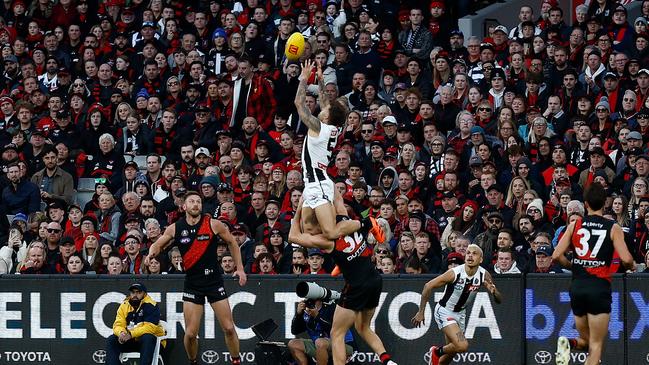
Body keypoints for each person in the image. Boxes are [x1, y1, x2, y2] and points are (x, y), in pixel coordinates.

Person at [289, 192, 397, 365]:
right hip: (375, 280)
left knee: (336, 333)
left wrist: (300, 206)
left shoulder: (327, 241)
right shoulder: (350, 223)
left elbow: (292, 237)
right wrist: (328, 188)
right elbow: (338, 200)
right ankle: (387, 361)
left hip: (356, 285)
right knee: (363, 328)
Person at [146, 191, 247, 365]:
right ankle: (193, 361)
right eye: (191, 201)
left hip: (214, 281)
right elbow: (158, 244)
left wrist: (240, 269)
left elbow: (232, 242)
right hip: (193, 284)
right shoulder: (176, 227)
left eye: (198, 202)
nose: (195, 204)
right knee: (191, 334)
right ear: (184, 206)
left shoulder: (213, 224)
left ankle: (236, 361)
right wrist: (150, 255)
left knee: (229, 328)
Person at [552, 182, 635, 365]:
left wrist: (574, 266)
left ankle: (568, 342)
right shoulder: (613, 227)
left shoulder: (575, 225)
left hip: (578, 287)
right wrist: (632, 267)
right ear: (605, 203)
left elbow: (556, 255)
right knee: (596, 345)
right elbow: (626, 259)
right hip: (599, 287)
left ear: (586, 204)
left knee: (586, 340)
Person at [294, 59, 375, 241]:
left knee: (329, 232)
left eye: (326, 110)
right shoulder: (332, 127)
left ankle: (367, 223)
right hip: (317, 181)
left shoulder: (319, 128)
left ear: (328, 116)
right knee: (310, 232)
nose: (322, 109)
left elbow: (299, 104)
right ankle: (346, 246)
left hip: (318, 183)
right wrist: (321, 79)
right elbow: (325, 102)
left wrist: (304, 79)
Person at [411, 244, 502, 365]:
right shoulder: (454, 273)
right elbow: (428, 286)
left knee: (452, 352)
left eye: (474, 253)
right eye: (468, 253)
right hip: (445, 310)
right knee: (462, 346)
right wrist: (421, 311)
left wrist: (494, 292)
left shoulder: (484, 275)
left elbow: (499, 300)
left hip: (460, 314)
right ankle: (436, 351)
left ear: (481, 259)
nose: (470, 255)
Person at [106, 282, 165, 365]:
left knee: (148, 337)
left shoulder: (151, 305)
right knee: (111, 339)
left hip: (151, 344)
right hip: (131, 340)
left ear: (144, 294)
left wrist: (130, 334)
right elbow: (118, 324)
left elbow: (150, 328)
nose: (135, 295)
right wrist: (121, 333)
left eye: (138, 292)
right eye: (133, 292)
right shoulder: (124, 305)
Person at [288, 298, 354, 365]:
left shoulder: (331, 308)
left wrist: (317, 316)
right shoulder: (306, 313)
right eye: (308, 301)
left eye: (313, 301)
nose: (311, 304)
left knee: (320, 342)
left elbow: (333, 331)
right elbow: (295, 331)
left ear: (320, 300)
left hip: (342, 345)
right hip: (319, 345)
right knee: (293, 343)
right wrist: (298, 314)